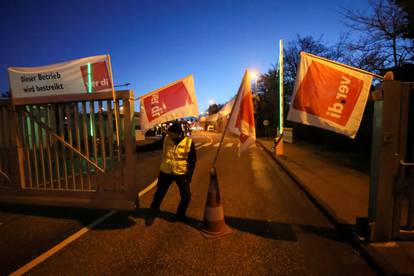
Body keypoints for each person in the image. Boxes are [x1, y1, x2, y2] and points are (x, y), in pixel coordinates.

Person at [145, 122, 196, 226]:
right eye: (169, 133)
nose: (169, 135)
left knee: (186, 195)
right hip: (166, 172)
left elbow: (193, 160)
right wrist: (136, 149)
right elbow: (152, 146)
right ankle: (153, 212)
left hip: (180, 173)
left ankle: (180, 215)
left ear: (178, 133)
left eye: (171, 133)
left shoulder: (189, 142)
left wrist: (189, 176)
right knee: (159, 194)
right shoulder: (166, 139)